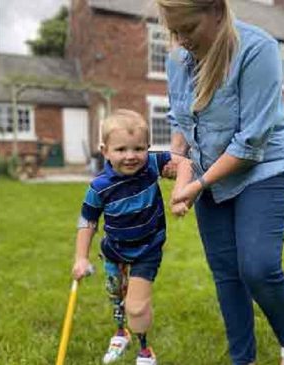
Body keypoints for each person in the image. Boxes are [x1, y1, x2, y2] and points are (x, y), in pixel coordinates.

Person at [156, 1, 284, 364]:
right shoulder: (177, 60)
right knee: (226, 274)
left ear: (217, 12)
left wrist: (197, 184)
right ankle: (244, 360)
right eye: (174, 32)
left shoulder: (258, 50)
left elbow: (251, 143)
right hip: (211, 172)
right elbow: (178, 118)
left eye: (188, 29)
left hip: (263, 167)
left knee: (257, 267)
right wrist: (178, 160)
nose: (181, 40)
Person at [71, 109, 190, 365]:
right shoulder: (99, 187)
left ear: (148, 147)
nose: (130, 156)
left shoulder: (151, 166)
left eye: (138, 148)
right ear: (105, 151)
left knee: (136, 306)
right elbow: (88, 221)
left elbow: (184, 163)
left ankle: (145, 351)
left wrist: (180, 194)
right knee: (116, 296)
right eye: (121, 149)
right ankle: (120, 333)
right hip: (114, 250)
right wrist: (81, 258)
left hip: (147, 249)